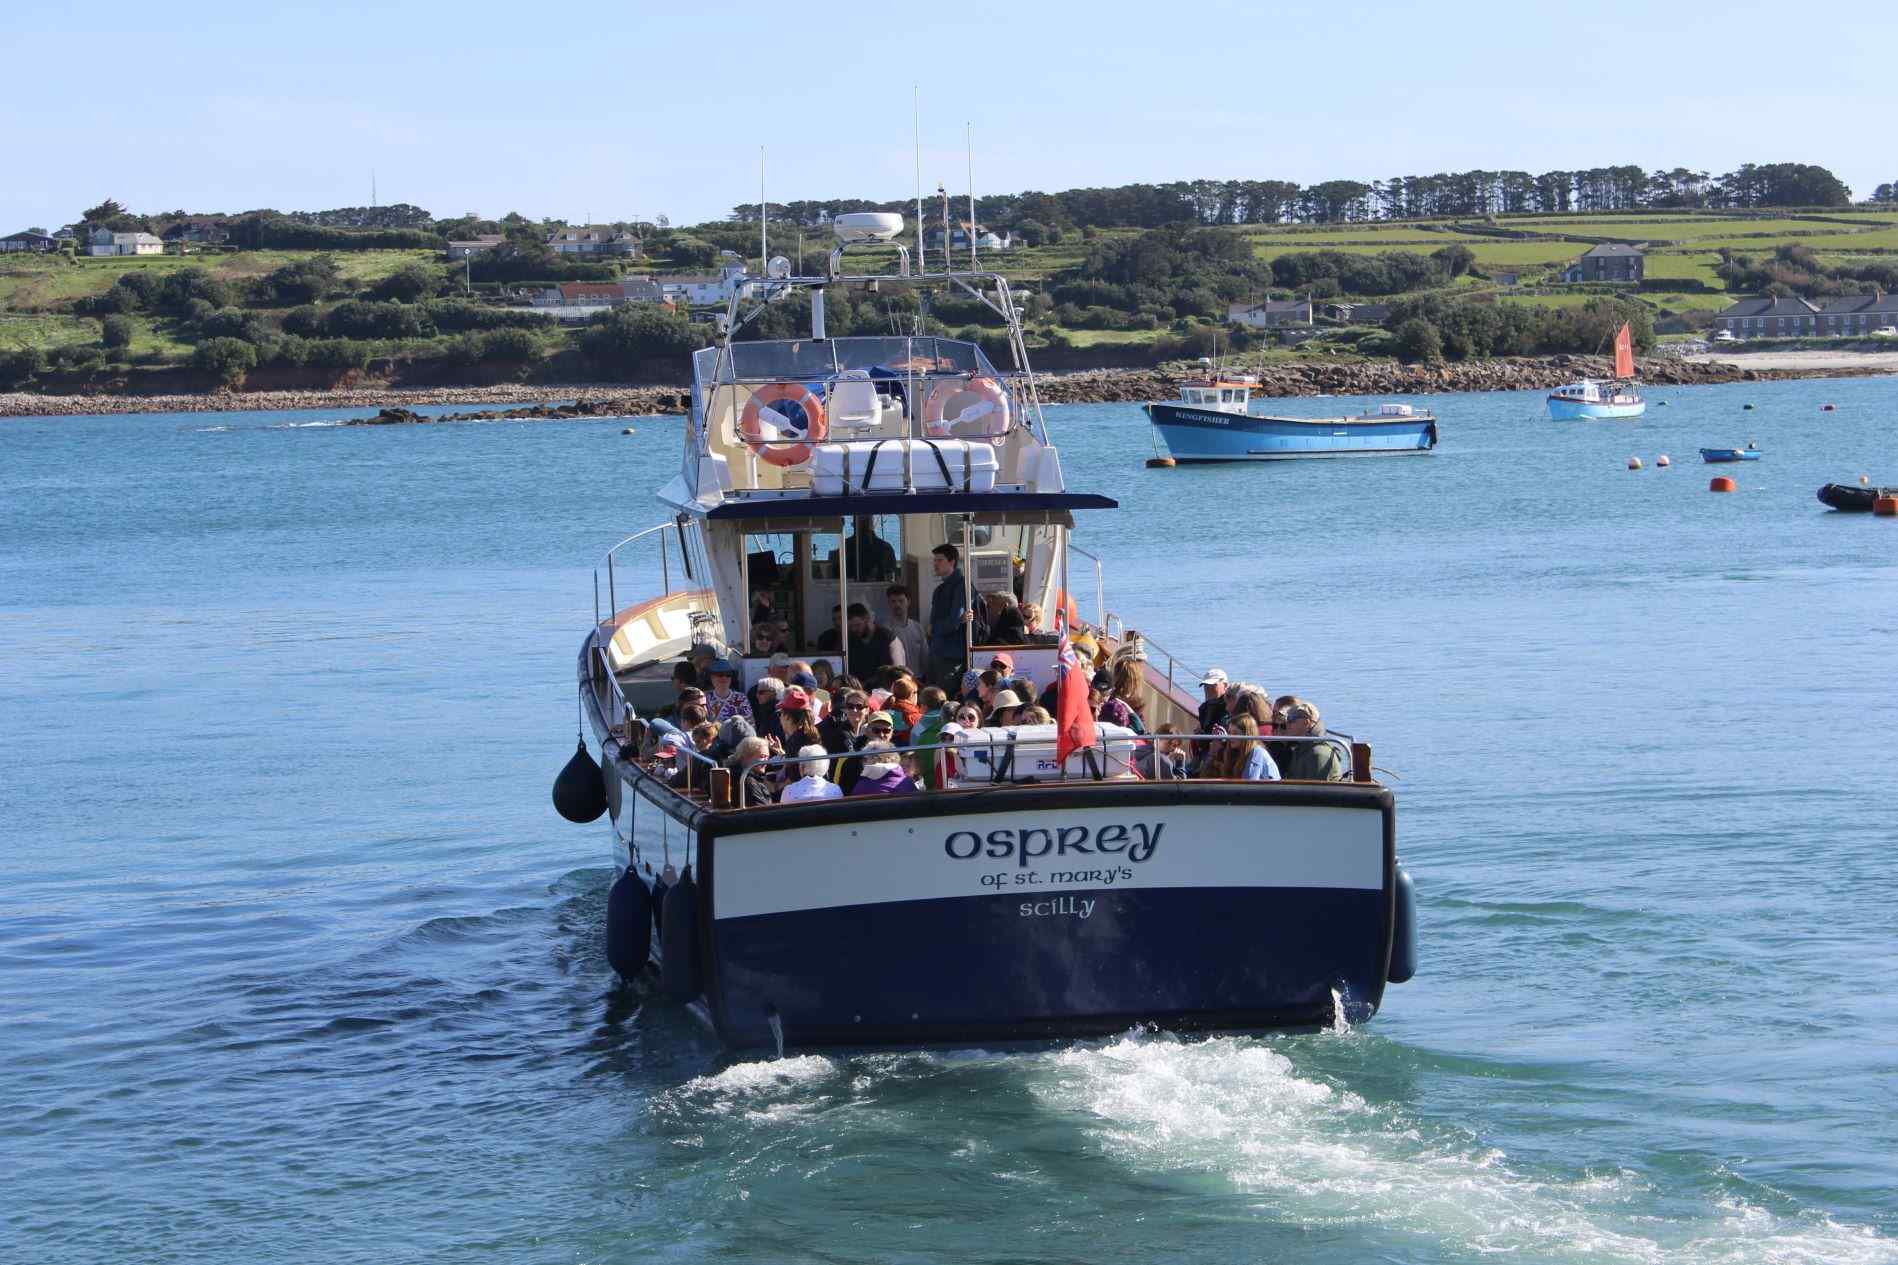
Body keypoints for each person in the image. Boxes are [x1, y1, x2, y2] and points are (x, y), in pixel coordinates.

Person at [926, 543, 968, 693]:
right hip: (939, 652)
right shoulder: (940, 589)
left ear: (952, 562)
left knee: (945, 698)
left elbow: (954, 622)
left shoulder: (961, 586)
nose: (935, 564)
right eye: (934, 560)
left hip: (951, 656)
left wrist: (933, 628)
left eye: (940, 560)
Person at [1277, 701, 1345, 781]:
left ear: (1306, 723)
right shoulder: (1301, 749)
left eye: (1291, 719)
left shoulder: (1318, 753)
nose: (1287, 724)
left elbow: (1316, 790)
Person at [845, 601, 904, 679]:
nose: (854, 629)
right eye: (851, 626)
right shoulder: (851, 641)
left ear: (867, 619)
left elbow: (899, 673)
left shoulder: (889, 640)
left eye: (857, 625)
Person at [831, 517, 898, 582]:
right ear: (871, 525)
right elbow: (891, 575)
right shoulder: (886, 546)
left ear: (854, 525)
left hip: (851, 586)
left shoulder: (845, 545)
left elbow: (836, 571)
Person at [850, 740, 917, 795]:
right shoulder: (907, 782)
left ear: (877, 760)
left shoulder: (862, 786)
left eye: (865, 759)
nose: (863, 763)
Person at [886, 586, 929, 672]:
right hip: (896, 679)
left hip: (918, 679)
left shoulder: (917, 627)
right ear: (889, 603)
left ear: (908, 602)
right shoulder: (886, 629)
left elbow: (925, 657)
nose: (897, 605)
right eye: (893, 601)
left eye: (901, 601)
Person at [727, 736, 776, 807]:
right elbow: (762, 811)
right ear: (746, 757)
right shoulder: (748, 781)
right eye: (762, 756)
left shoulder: (739, 775)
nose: (767, 761)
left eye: (767, 757)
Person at [706, 659, 751, 723]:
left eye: (728, 674)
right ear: (711, 677)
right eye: (720, 674)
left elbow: (749, 724)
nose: (724, 678)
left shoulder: (741, 698)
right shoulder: (705, 699)